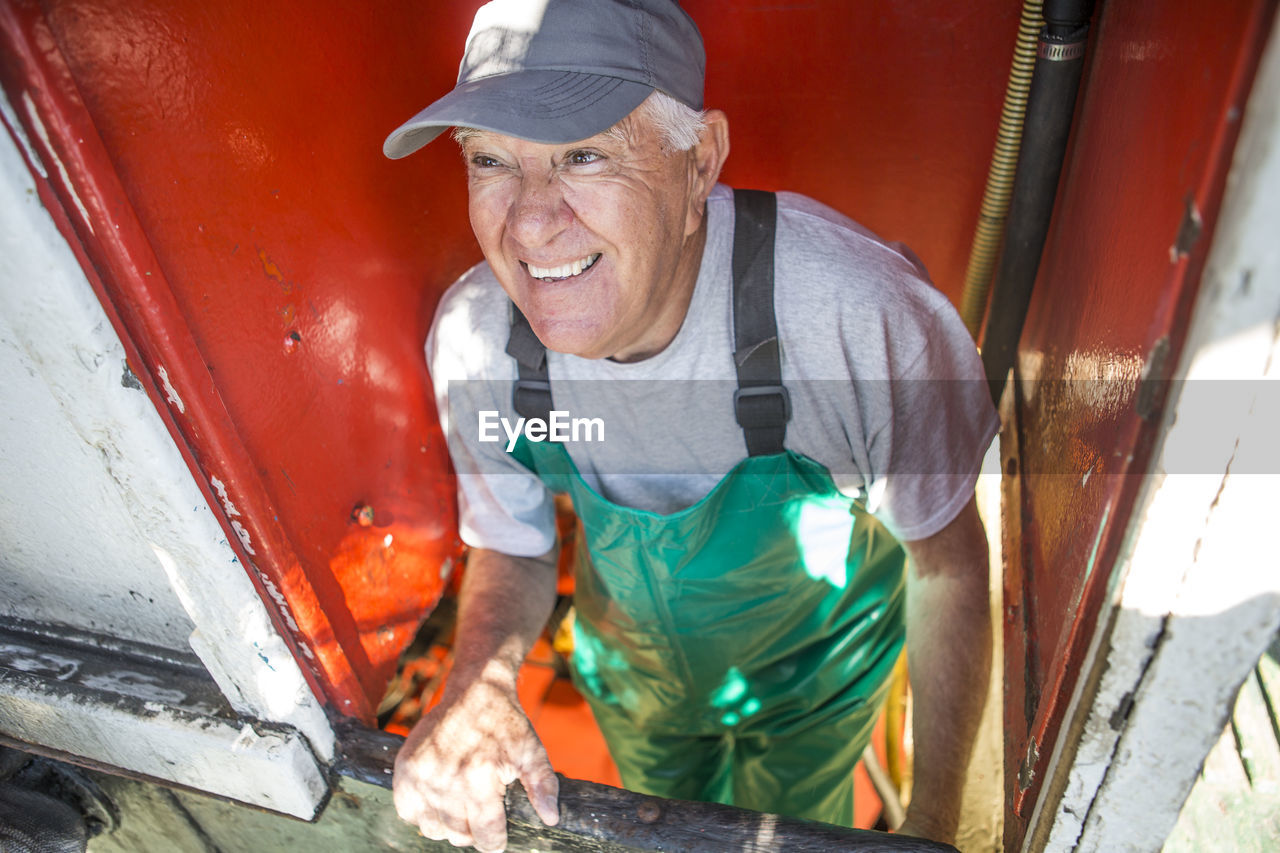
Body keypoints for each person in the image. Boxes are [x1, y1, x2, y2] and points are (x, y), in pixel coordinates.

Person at [383, 1, 998, 851]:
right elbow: (515, 545)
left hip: (818, 688)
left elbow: (950, 572)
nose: (528, 223)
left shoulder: (860, 320)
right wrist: (478, 680)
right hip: (637, 686)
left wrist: (931, 824)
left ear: (697, 162)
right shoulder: (476, 342)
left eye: (584, 154)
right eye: (490, 160)